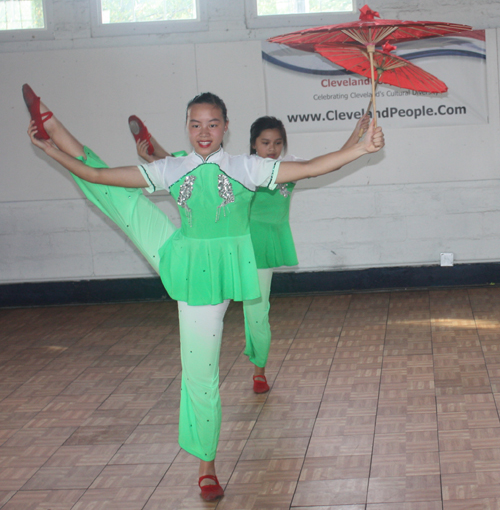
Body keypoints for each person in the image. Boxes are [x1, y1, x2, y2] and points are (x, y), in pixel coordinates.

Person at [23, 84, 384, 501]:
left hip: (220, 279)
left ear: (226, 128)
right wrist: (52, 154)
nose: (204, 131)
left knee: (206, 369)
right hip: (182, 263)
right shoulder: (172, 168)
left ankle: (54, 129)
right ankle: (206, 464)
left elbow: (311, 168)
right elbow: (101, 175)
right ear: (187, 128)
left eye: (212, 123)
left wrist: (360, 149)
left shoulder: (247, 167)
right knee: (121, 201)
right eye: (195, 124)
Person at [131, 114, 369, 394]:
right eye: (266, 142)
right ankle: (201, 371)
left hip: (263, 248)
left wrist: (358, 136)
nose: (272, 148)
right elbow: (189, 171)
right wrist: (153, 155)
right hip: (234, 244)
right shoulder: (244, 169)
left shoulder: (285, 166)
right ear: (253, 144)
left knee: (257, 314)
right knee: (208, 311)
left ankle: (259, 371)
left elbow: (330, 163)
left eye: (278, 143)